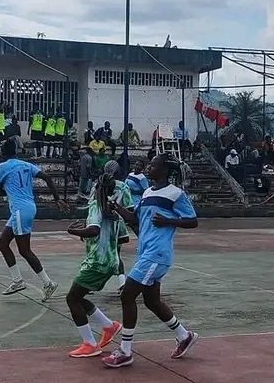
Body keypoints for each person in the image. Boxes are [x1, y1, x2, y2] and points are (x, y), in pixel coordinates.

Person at [102, 154, 199, 368]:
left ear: (165, 169)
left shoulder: (175, 194)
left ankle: (126, 351)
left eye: (153, 164)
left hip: (157, 254)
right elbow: (135, 218)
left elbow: (193, 221)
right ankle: (184, 336)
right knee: (151, 300)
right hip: (146, 252)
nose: (149, 167)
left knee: (127, 294)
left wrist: (169, 221)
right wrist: (117, 208)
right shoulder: (147, 192)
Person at [0, 140, 68, 300]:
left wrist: (9, 189)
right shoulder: (26, 165)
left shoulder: (2, 167)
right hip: (28, 207)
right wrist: (57, 199)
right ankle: (17, 280)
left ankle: (48, 282)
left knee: (24, 250)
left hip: (20, 209)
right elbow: (47, 177)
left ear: (4, 152)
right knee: (2, 243)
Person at [65, 173, 123, 358]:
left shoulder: (96, 205)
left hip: (97, 262)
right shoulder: (112, 208)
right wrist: (86, 231)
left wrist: (74, 230)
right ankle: (108, 325)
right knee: (78, 297)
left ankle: (90, 343)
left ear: (97, 188)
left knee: (72, 299)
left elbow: (94, 230)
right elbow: (109, 233)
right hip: (110, 261)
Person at [90, 161, 134, 294]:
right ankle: (122, 282)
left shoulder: (96, 186)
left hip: (98, 223)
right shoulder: (122, 187)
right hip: (116, 225)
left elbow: (91, 205)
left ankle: (90, 283)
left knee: (95, 253)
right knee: (115, 254)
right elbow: (129, 207)